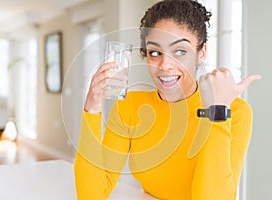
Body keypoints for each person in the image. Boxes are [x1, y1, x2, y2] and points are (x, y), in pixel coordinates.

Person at [74, 0, 261, 199]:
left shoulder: (235, 111)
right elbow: (91, 195)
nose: (165, 65)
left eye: (180, 51)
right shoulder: (130, 106)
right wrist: (92, 109)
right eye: (155, 52)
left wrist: (217, 111)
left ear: (201, 52)